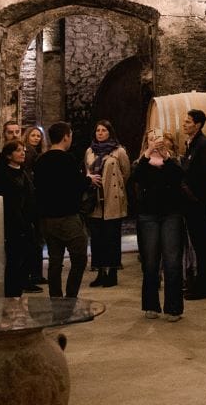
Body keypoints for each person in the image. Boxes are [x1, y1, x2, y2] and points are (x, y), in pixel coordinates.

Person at [129, 129, 186, 321]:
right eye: (152, 140)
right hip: (148, 216)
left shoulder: (173, 161)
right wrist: (147, 154)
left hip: (171, 215)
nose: (155, 143)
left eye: (158, 139)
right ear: (147, 143)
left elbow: (179, 177)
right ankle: (151, 305)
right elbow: (135, 177)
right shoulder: (141, 162)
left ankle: (173, 308)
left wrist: (166, 158)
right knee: (150, 262)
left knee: (172, 261)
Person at [32, 121, 90, 298]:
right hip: (67, 217)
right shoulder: (67, 159)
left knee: (55, 261)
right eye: (70, 135)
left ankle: (56, 299)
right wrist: (87, 180)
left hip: (47, 219)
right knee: (79, 257)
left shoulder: (40, 160)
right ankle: (70, 297)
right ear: (66, 136)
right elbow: (76, 186)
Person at [0, 140, 41, 296]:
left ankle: (17, 290)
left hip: (26, 223)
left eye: (24, 150)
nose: (22, 153)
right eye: (18, 150)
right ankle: (11, 294)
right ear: (8, 155)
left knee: (28, 257)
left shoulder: (24, 173)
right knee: (14, 260)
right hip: (11, 223)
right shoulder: (3, 175)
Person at [84, 119, 130, 288]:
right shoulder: (90, 151)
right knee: (97, 238)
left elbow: (126, 173)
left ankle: (112, 273)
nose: (100, 133)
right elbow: (86, 171)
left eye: (104, 130)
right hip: (95, 199)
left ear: (110, 132)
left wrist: (113, 186)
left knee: (112, 238)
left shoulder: (119, 151)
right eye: (98, 130)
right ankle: (100, 272)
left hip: (112, 199)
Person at [181, 109, 206, 299]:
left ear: (198, 125)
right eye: (184, 121)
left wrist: (192, 192)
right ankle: (200, 284)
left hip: (199, 202)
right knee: (198, 243)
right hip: (191, 202)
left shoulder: (205, 145)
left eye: (188, 122)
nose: (184, 124)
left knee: (203, 245)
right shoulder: (192, 144)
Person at [21, 124, 48, 286]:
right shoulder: (29, 153)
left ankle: (36, 273)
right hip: (32, 198)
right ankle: (34, 274)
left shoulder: (38, 153)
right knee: (35, 237)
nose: (36, 138)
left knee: (38, 237)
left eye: (38, 136)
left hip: (36, 198)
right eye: (33, 135)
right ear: (27, 136)